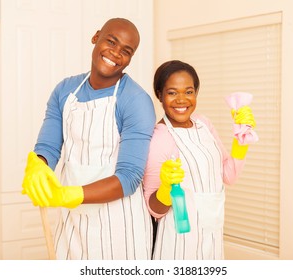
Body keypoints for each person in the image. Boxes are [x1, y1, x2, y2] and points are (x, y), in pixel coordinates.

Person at [21, 18, 156, 260]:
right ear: (96, 37)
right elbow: (48, 147)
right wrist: (38, 167)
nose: (115, 53)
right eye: (111, 42)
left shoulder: (136, 100)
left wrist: (68, 195)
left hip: (120, 229)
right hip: (73, 222)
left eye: (126, 51)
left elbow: (130, 177)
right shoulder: (65, 90)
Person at [142, 60, 256, 260]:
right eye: (172, 92)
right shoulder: (158, 138)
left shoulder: (204, 124)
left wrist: (241, 136)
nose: (181, 100)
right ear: (159, 94)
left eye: (188, 92)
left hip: (212, 235)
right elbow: (154, 210)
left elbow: (229, 175)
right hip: (179, 243)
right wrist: (166, 188)